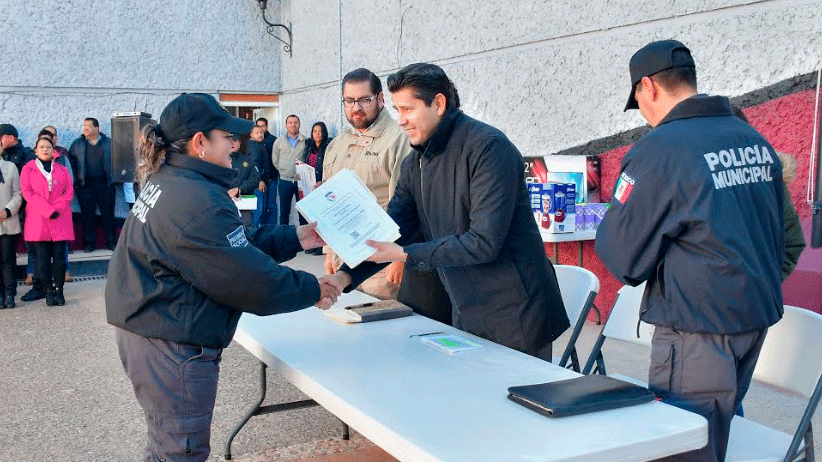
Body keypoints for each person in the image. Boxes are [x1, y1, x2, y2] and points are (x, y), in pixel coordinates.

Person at [105, 93, 340, 462]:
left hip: (152, 330)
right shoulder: (196, 199)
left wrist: (298, 237)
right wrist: (313, 288)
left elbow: (231, 246)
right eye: (227, 136)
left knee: (166, 447)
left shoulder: (175, 180)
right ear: (199, 142)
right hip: (171, 342)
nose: (235, 145)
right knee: (180, 452)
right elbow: (249, 280)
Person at [595, 40, 783, 462]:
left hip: (698, 328)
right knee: (717, 431)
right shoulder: (750, 138)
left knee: (684, 446)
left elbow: (622, 258)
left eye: (638, 101)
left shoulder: (661, 149)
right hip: (751, 319)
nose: (643, 113)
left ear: (648, 87)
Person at [324, 63, 569, 359]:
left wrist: (405, 254)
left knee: (514, 389)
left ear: (438, 104)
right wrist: (343, 278)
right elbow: (389, 233)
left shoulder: (490, 149)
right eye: (397, 110)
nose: (400, 121)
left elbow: (484, 242)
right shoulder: (415, 162)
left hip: (516, 313)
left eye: (408, 109)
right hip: (464, 307)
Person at [322, 68, 414, 299]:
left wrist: (398, 259)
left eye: (364, 99)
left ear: (380, 99)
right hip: (342, 259)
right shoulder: (337, 144)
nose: (356, 107)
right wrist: (328, 252)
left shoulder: (398, 139)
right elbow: (328, 204)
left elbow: (407, 206)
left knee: (379, 320)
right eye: (349, 101)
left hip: (381, 264)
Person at [20, 137, 74, 306]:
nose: (45, 149)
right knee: (42, 258)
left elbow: (69, 191)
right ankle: (48, 291)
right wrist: (47, 210)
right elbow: (27, 193)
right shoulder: (28, 169)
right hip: (39, 217)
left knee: (59, 257)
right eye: (41, 147)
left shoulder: (62, 169)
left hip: (59, 217)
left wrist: (57, 208)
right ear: (36, 151)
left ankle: (59, 291)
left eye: (48, 147)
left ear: (53, 151)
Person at [69, 117, 116, 252]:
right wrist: (76, 182)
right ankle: (89, 243)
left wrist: (116, 180)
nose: (85, 128)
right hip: (85, 186)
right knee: (87, 216)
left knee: (108, 215)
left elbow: (118, 161)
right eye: (84, 126)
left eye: (88, 126)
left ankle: (111, 242)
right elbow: (71, 164)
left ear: (97, 128)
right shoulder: (77, 144)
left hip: (106, 185)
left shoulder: (109, 143)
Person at [300, 121, 331, 255]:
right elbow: (303, 164)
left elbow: (330, 166)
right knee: (311, 217)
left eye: (320, 131)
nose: (317, 134)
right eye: (315, 131)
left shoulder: (328, 147)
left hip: (322, 185)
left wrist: (323, 181)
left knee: (321, 218)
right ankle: (312, 244)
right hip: (309, 186)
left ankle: (320, 246)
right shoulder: (308, 147)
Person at [271, 115, 306, 225]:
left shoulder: (305, 141)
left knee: (303, 213)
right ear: (286, 125)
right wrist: (284, 170)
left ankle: (303, 235)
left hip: (301, 182)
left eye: (295, 122)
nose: (293, 125)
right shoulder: (279, 142)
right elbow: (275, 160)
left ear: (299, 124)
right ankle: (284, 234)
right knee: (284, 212)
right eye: (290, 122)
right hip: (284, 181)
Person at [0, 144, 22, 308]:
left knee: (8, 259)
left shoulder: (10, 167)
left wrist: (8, 211)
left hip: (7, 220)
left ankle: (9, 294)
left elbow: (17, 194)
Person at [230, 134, 261, 227]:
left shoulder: (247, 160)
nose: (232, 144)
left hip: (244, 204)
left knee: (246, 228)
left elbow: (255, 178)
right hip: (226, 203)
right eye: (230, 141)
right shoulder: (220, 160)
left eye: (235, 141)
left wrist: (240, 189)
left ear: (239, 143)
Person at [254, 118, 278, 225]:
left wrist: (271, 177)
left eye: (263, 126)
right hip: (260, 181)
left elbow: (275, 161)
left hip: (272, 179)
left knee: (271, 205)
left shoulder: (273, 140)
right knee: (261, 207)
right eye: (258, 126)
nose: (261, 129)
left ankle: (272, 229)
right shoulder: (254, 142)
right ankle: (264, 229)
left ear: (267, 127)